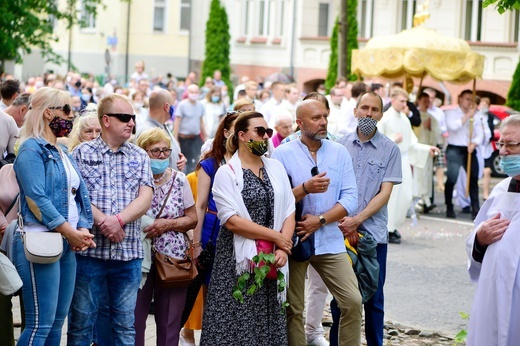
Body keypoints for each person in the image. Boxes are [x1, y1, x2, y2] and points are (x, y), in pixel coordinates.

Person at [199, 111, 295, 345]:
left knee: (268, 317)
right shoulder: (226, 172)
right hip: (237, 260)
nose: (265, 137)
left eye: (268, 132)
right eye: (259, 131)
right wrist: (276, 237)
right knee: (235, 321)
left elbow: (289, 209)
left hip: (272, 257)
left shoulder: (276, 168)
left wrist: (282, 248)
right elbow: (231, 220)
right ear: (242, 135)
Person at [272, 100, 362, 346]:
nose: (323, 122)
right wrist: (304, 189)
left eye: (325, 116)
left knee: (352, 302)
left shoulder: (338, 151)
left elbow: (351, 197)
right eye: (316, 118)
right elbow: (275, 199)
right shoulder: (281, 154)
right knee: (293, 308)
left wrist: (320, 220)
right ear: (299, 123)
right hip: (296, 239)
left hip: (331, 239)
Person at [68, 93, 154, 345]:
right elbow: (76, 196)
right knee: (81, 323)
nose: (131, 123)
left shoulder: (139, 155)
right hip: (89, 255)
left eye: (133, 118)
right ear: (106, 120)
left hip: (128, 255)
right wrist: (106, 222)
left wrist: (118, 220)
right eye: (125, 117)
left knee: (125, 326)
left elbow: (145, 196)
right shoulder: (82, 153)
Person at [12, 87, 95, 345]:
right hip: (41, 239)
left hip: (65, 241)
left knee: (56, 322)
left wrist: (81, 228)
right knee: (40, 324)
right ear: (48, 113)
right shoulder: (31, 149)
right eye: (67, 110)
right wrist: (71, 231)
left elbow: (78, 197)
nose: (71, 117)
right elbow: (36, 200)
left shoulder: (63, 152)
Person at [330, 92, 402, 346]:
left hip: (373, 234)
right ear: (355, 111)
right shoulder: (339, 146)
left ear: (381, 115)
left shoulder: (390, 149)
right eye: (364, 108)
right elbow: (333, 189)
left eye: (374, 109)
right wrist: (345, 222)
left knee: (374, 297)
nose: (369, 113)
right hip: (340, 232)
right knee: (342, 298)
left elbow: (385, 193)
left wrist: (356, 221)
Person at [134, 128, 197, 346]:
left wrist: (167, 224)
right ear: (142, 152)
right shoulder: (132, 179)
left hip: (173, 258)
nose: (161, 156)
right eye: (155, 151)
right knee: (134, 320)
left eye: (165, 151)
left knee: (170, 322)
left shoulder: (179, 180)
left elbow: (192, 218)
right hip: (138, 257)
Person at [180, 111, 239, 345]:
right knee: (206, 292)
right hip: (212, 234)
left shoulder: (250, 162)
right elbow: (201, 205)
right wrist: (196, 244)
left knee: (231, 296)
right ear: (226, 132)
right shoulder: (210, 163)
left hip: (240, 234)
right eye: (238, 129)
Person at [465, 114, 520, 345]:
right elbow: (475, 238)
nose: (503, 151)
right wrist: (479, 239)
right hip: (492, 291)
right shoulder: (500, 189)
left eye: (511, 145)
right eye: (501, 143)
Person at [378, 88, 438, 244]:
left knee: (404, 196)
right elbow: (378, 141)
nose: (405, 104)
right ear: (393, 100)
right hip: (390, 162)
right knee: (391, 197)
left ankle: (394, 226)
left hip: (403, 162)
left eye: (406, 101)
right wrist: (392, 139)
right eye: (402, 101)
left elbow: (412, 143)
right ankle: (387, 228)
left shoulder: (404, 119)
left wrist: (427, 148)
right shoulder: (385, 118)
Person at [444, 90, 484, 219]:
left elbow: (480, 134)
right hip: (455, 149)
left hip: (469, 149)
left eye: (472, 100)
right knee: (451, 179)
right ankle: (449, 207)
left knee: (473, 179)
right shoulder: (451, 113)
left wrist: (475, 143)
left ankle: (475, 209)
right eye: (467, 99)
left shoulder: (476, 116)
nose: (470, 102)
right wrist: (467, 116)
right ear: (460, 99)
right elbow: (453, 127)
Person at [136, 89, 186, 172]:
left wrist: (180, 159)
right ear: (166, 107)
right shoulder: (148, 131)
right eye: (172, 105)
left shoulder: (162, 125)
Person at [174, 84, 206, 173]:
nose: (194, 94)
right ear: (187, 92)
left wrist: (205, 135)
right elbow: (177, 122)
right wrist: (175, 138)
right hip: (183, 138)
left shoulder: (200, 105)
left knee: (196, 160)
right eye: (192, 92)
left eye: (196, 92)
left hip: (195, 137)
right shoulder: (182, 104)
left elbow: (201, 121)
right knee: (184, 162)